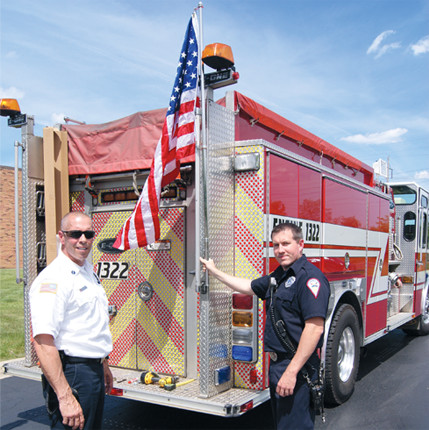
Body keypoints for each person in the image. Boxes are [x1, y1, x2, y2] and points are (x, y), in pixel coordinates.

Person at [200, 222, 330, 430]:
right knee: (283, 424)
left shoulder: (310, 278)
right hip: (279, 366)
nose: (280, 250)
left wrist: (291, 372)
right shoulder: (278, 276)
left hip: (295, 367)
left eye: (286, 243)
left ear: (301, 244)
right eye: (276, 245)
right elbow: (248, 286)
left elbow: (314, 328)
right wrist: (215, 272)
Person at [30, 212, 113, 430]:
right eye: (75, 234)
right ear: (61, 236)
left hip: (91, 370)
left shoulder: (87, 271)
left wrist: (102, 363)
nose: (83, 239)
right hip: (73, 374)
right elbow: (43, 341)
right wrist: (65, 396)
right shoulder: (53, 279)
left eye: (89, 233)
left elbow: (89, 324)